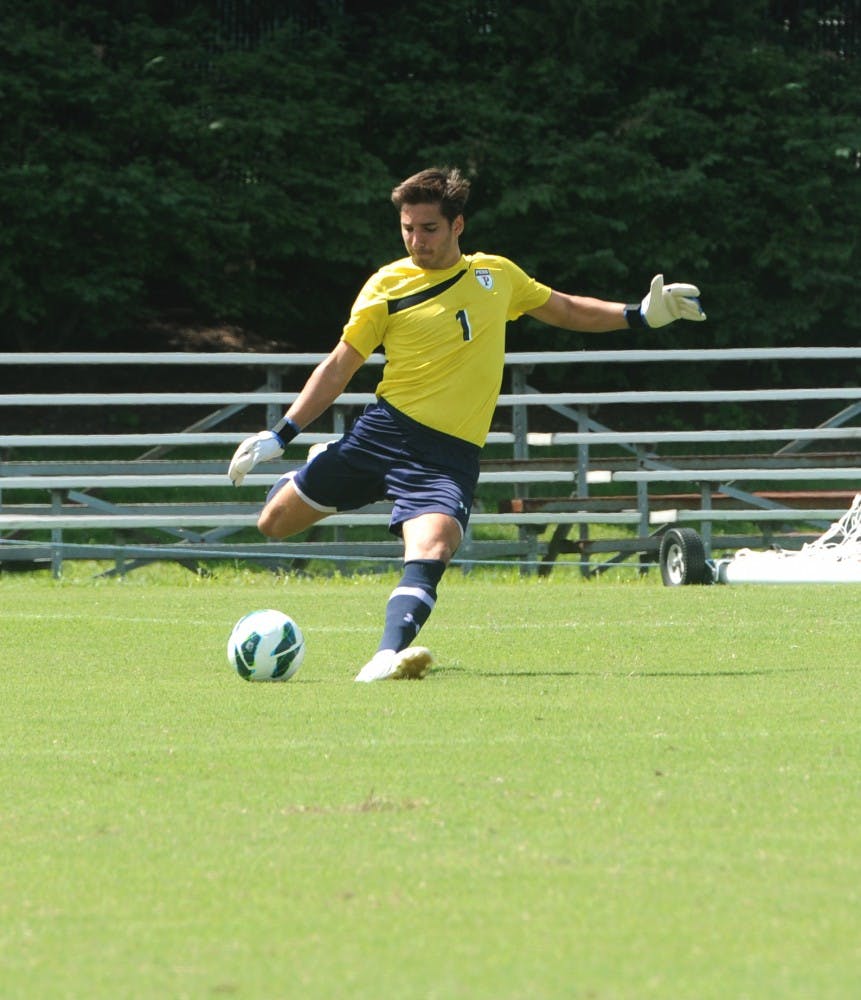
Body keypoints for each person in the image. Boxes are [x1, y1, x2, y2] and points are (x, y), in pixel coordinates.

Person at [228, 166, 706, 682]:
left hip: (446, 455)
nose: (417, 240)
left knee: (432, 545)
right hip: (383, 432)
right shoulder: (387, 284)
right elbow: (341, 362)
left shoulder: (496, 275)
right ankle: (323, 459)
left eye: (428, 228)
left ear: (458, 226)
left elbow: (565, 309)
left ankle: (386, 656)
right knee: (273, 522)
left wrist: (638, 315)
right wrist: (282, 434)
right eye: (408, 228)